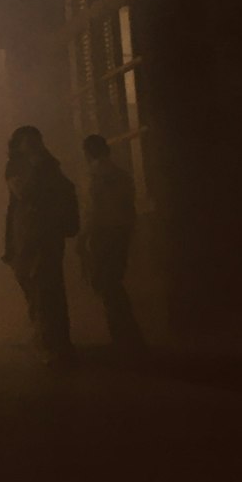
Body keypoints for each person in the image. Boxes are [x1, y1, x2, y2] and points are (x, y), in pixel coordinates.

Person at [3, 125, 79, 367]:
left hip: (42, 236)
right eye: (28, 141)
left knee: (46, 289)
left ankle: (52, 344)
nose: (33, 145)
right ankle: (47, 339)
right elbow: (23, 193)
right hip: (28, 236)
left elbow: (39, 193)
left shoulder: (47, 166)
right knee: (37, 287)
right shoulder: (19, 167)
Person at [78, 134, 145, 354]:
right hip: (119, 233)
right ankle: (126, 335)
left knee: (106, 284)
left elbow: (92, 211)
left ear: (87, 153)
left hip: (102, 234)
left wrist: (84, 237)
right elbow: (128, 208)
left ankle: (125, 336)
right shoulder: (122, 175)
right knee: (112, 282)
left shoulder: (94, 177)